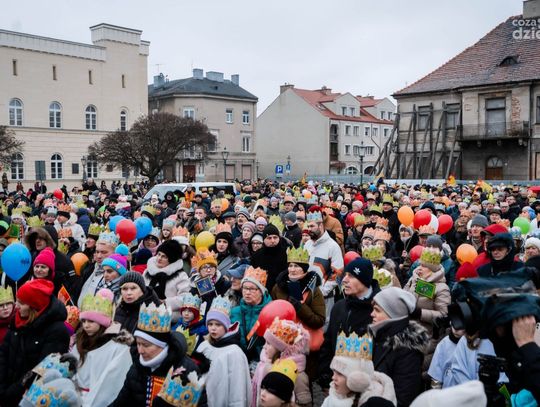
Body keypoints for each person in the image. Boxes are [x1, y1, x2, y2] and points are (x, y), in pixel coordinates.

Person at [111, 302, 199, 406]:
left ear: (162, 345)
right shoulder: (136, 367)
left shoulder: (188, 370)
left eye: (146, 345)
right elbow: (121, 402)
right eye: (138, 344)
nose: (140, 351)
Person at [0, 279, 70, 406]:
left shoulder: (57, 331)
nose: (16, 306)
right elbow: (3, 353)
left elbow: (41, 371)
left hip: (28, 398)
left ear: (34, 306)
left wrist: (11, 393)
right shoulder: (18, 321)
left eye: (21, 303)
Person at [319, 258, 380, 390]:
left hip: (367, 386)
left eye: (351, 276)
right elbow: (328, 343)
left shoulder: (379, 310)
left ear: (364, 280)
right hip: (337, 382)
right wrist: (326, 376)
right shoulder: (339, 307)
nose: (344, 280)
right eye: (345, 275)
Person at [72, 288, 132, 406]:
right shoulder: (80, 340)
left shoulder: (117, 347)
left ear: (102, 323)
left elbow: (110, 382)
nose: (86, 325)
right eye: (83, 321)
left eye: (91, 321)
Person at [369, 287, 429, 407]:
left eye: (377, 310)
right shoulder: (378, 336)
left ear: (393, 314)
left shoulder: (408, 350)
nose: (372, 314)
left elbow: (403, 398)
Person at [193, 295, 251, 407]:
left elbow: (238, 389)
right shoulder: (204, 346)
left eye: (218, 324)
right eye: (210, 324)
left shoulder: (234, 352)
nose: (213, 328)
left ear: (226, 326)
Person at [322, 331, 396, 407]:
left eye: (340, 374)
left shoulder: (375, 403)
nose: (333, 377)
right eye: (334, 372)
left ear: (358, 379)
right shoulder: (332, 397)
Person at [252, 318, 311, 407]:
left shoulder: (298, 375)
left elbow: (304, 404)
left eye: (268, 343)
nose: (264, 347)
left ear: (281, 349)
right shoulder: (265, 365)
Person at [231, 267, 272, 362]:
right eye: (245, 288)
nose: (247, 292)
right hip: (239, 360)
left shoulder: (271, 312)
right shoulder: (234, 312)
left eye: (252, 289)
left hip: (262, 361)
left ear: (261, 292)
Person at [143, 239, 190, 322]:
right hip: (145, 316)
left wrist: (165, 302)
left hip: (167, 318)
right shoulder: (148, 271)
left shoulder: (180, 276)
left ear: (172, 259)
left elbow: (185, 298)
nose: (159, 258)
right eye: (159, 254)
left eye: (164, 256)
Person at [251, 224, 289, 291]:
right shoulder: (257, 255)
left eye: (275, 237)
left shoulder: (286, 253)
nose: (272, 241)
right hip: (262, 290)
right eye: (269, 238)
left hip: (281, 290)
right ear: (264, 239)